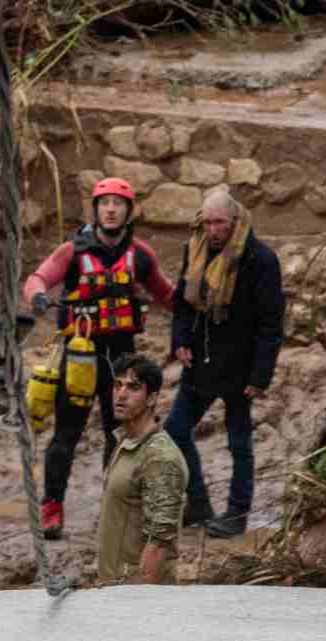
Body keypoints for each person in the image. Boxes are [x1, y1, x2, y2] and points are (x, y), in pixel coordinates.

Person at [21, 176, 177, 540]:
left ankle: (114, 506)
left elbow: (169, 296)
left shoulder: (140, 255)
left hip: (120, 359)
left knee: (117, 434)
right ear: (96, 209)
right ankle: (52, 508)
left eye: (117, 204)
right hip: (79, 355)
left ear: (128, 211)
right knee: (66, 434)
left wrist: (199, 315)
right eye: (104, 203)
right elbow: (37, 279)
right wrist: (39, 297)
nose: (110, 209)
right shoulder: (73, 251)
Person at [167, 188, 285, 537]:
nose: (212, 230)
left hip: (240, 365)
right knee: (174, 430)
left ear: (234, 221)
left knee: (239, 444)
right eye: (206, 223)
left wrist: (261, 375)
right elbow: (182, 304)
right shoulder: (195, 248)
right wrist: (180, 341)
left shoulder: (260, 259)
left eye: (218, 223)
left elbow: (271, 323)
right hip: (201, 361)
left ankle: (236, 514)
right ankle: (199, 502)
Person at [95, 355, 187, 585]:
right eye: (117, 385)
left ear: (152, 398)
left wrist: (136, 604)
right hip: (112, 591)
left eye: (133, 387)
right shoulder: (126, 443)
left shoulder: (159, 457)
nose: (121, 394)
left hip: (137, 599)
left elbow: (160, 542)